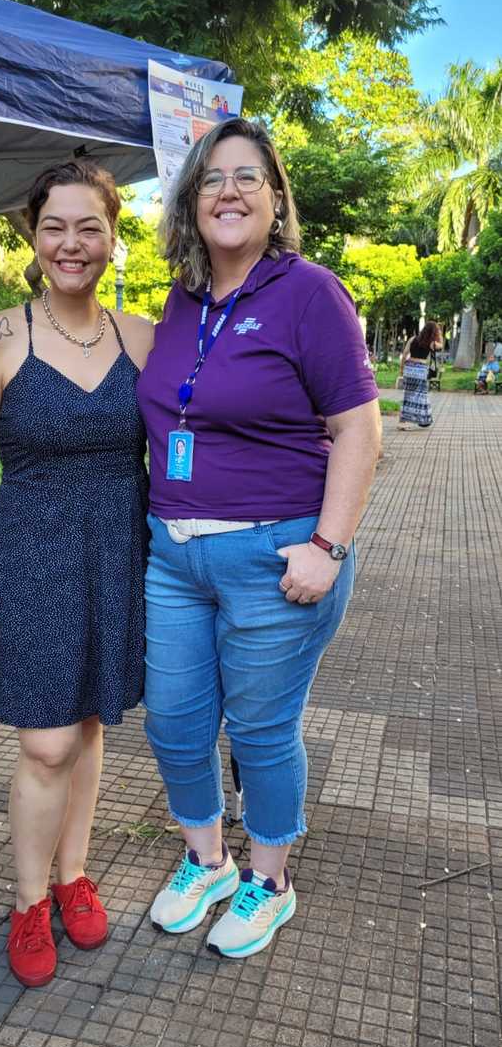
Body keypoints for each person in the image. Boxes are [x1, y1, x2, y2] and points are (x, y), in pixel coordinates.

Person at [136, 117, 381, 959]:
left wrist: (329, 546)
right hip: (172, 557)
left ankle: (268, 881)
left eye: (247, 177)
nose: (228, 192)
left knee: (259, 730)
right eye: (211, 179)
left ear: (275, 198)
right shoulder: (179, 300)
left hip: (274, 556)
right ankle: (204, 859)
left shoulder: (309, 291)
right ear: (190, 201)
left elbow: (357, 428)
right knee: (171, 721)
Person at [0, 160, 153, 987]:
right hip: (27, 559)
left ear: (111, 236)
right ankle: (29, 899)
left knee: (93, 724)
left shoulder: (143, 335)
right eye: (54, 228)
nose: (71, 245)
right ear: (32, 238)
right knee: (45, 743)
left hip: (117, 555)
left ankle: (74, 875)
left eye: (89, 227)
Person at [398, 321, 442, 430]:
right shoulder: (431, 342)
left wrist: (402, 369)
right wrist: (438, 334)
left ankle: (402, 421)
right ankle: (418, 419)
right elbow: (441, 345)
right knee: (419, 396)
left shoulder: (413, 339)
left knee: (408, 395)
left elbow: (404, 355)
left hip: (409, 368)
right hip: (420, 370)